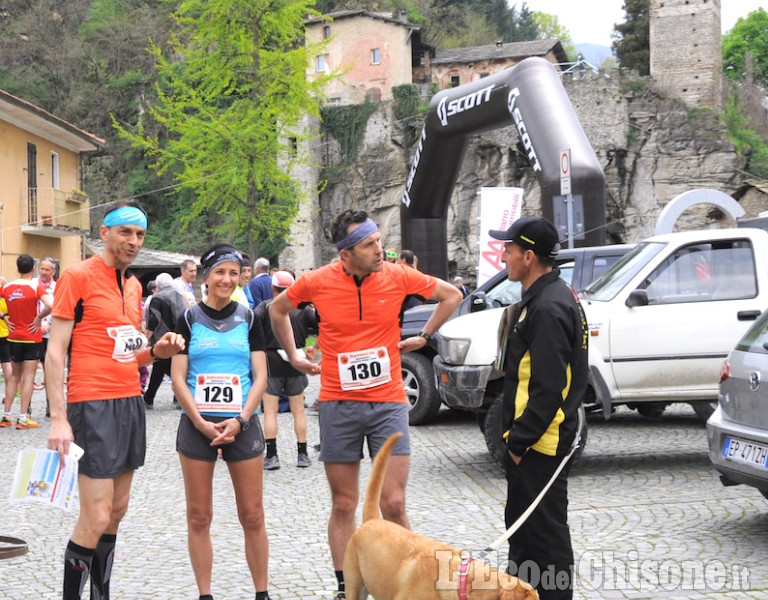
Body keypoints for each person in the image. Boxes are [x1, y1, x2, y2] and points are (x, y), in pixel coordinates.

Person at [268, 209, 462, 600]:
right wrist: (293, 356)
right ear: (345, 254)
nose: (380, 250)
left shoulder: (397, 275)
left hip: (389, 400)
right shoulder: (317, 281)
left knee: (393, 501)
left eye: (378, 241)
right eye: (369, 245)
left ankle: (405, 580)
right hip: (339, 402)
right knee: (344, 504)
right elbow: (277, 310)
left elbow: (452, 295)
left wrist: (424, 335)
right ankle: (346, 587)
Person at [45, 203, 185, 600]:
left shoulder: (134, 285)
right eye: (126, 233)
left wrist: (157, 351)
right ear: (103, 233)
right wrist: (59, 419)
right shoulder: (77, 276)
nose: (134, 242)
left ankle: (100, 594)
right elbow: (55, 352)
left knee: (118, 511)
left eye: (139, 235)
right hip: (91, 403)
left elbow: (130, 353)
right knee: (96, 515)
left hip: (129, 401)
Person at [489, 216, 588, 600]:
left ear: (528, 256)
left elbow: (549, 389)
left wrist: (517, 443)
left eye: (509, 250)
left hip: (538, 447)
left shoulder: (549, 306)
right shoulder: (550, 296)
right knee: (526, 537)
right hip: (536, 443)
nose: (504, 256)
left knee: (545, 543)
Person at [171, 243, 270, 600]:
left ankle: (262, 593)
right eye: (219, 272)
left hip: (242, 425)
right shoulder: (187, 318)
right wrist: (198, 421)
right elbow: (178, 377)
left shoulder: (250, 317)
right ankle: (205, 594)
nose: (227, 279)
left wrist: (242, 419)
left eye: (233, 272)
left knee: (253, 514)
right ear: (206, 277)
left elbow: (260, 375)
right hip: (197, 426)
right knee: (199, 516)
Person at [254, 270, 317, 470]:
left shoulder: (264, 308)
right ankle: (302, 454)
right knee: (298, 410)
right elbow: (324, 326)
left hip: (271, 362)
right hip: (297, 361)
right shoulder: (304, 310)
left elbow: (250, 330)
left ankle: (272, 456)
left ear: (272, 288)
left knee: (270, 411)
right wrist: (314, 348)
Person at [0, 254, 53, 429]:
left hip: (13, 336)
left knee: (14, 376)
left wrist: (4, 317)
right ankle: (23, 418)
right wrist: (39, 319)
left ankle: (6, 416)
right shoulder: (35, 287)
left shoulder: (7, 287)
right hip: (31, 337)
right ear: (33, 269)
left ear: (17, 268)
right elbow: (51, 305)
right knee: (29, 376)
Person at [143, 272, 188, 409]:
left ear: (158, 285)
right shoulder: (180, 297)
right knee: (173, 369)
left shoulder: (157, 298)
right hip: (180, 338)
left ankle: (149, 399)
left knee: (159, 367)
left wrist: (147, 337)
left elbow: (154, 320)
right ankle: (179, 398)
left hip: (164, 339)